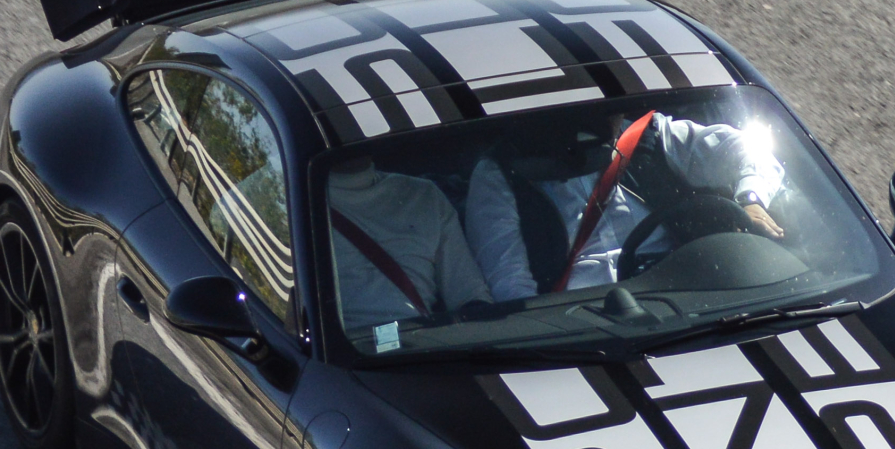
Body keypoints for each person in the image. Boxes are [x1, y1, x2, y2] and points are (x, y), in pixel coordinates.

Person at [464, 109, 787, 300]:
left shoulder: (649, 137)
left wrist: (751, 200)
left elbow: (749, 150)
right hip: (585, 325)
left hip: (688, 299)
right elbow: (510, 288)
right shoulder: (498, 175)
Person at [325, 156, 492, 335]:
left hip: (421, 348)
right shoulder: (299, 205)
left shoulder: (424, 195)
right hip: (339, 351)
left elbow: (469, 294)